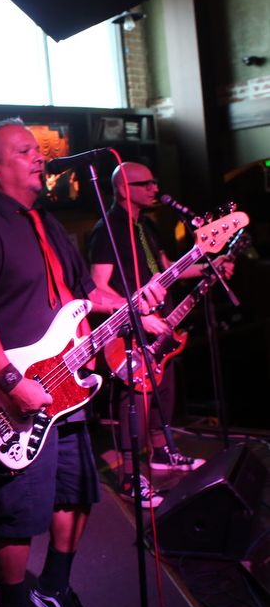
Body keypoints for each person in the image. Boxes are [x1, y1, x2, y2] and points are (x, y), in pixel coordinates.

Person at [0, 119, 166, 607]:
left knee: (77, 491)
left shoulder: (47, 224)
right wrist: (11, 381)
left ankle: (54, 589)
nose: (39, 157)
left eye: (38, 150)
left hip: (66, 385)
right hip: (9, 393)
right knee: (16, 508)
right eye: (24, 151)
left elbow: (86, 294)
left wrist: (136, 304)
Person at [88, 162, 233, 506]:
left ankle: (161, 453)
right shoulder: (109, 229)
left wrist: (209, 264)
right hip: (130, 327)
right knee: (136, 398)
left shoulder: (146, 225)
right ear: (123, 189)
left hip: (159, 322)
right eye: (147, 184)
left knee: (163, 389)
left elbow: (167, 270)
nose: (155, 188)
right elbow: (97, 286)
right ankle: (129, 476)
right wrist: (137, 313)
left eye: (155, 182)